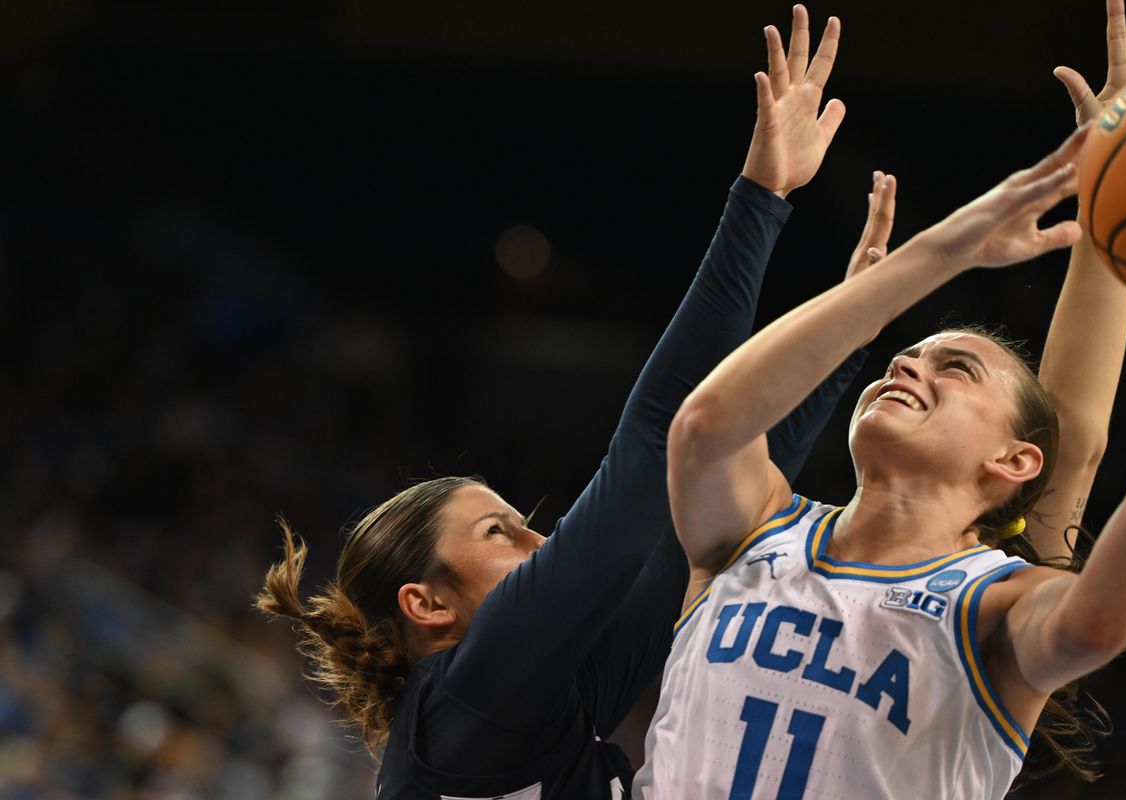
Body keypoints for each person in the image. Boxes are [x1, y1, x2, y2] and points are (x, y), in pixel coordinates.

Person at [256, 8, 883, 798]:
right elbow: (661, 438)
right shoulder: (468, 697)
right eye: (501, 530)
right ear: (427, 604)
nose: (539, 533)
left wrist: (850, 333)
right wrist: (760, 196)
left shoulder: (535, 699)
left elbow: (728, 503)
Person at [634, 12, 1126, 800]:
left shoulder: (994, 605)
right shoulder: (758, 526)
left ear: (1014, 460)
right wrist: (939, 253)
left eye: (955, 366)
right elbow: (703, 424)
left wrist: (1116, 181)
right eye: (906, 353)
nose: (905, 361)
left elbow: (1099, 603)